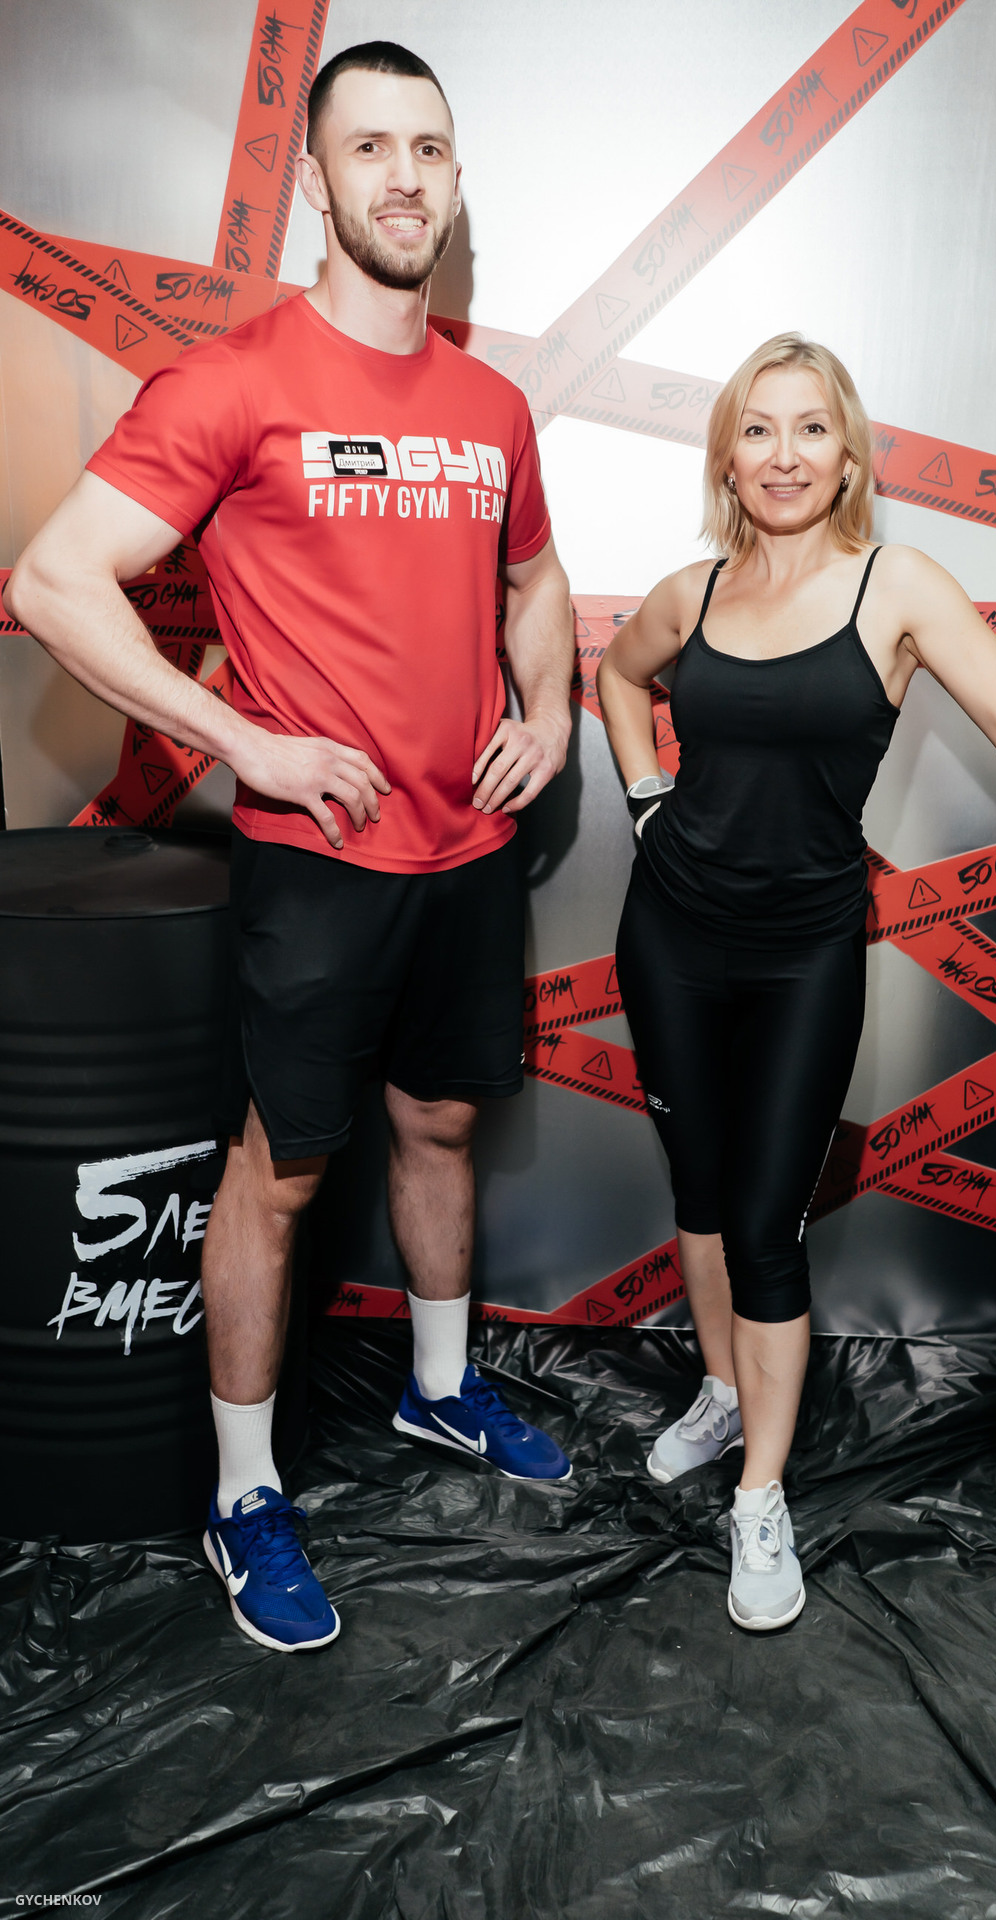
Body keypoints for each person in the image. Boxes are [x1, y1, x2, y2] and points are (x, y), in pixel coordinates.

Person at [3, 42, 576, 1654]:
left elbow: (535, 579)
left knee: (442, 1122)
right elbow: (52, 581)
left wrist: (549, 708)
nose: (405, 177)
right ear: (318, 183)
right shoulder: (234, 384)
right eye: (371, 149)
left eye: (430, 150)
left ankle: (441, 1390)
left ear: (456, 183)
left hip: (470, 851)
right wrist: (242, 741)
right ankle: (246, 1494)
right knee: (283, 1172)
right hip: (318, 862)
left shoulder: (489, 406)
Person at [597, 334, 996, 1634]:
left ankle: (761, 1496)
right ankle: (722, 1391)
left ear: (847, 457)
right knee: (698, 1190)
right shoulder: (695, 590)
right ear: (728, 456)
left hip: (803, 953)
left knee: (765, 1223)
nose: (784, 455)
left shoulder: (897, 588)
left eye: (811, 429)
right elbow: (616, 675)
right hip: (669, 937)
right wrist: (647, 797)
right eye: (758, 429)